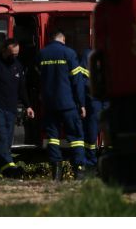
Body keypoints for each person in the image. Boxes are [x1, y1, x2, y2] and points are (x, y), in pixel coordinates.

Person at [37, 29, 87, 181]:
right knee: (76, 136)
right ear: (63, 39)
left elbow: (38, 79)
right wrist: (82, 103)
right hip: (68, 104)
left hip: (50, 104)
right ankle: (78, 170)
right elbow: (77, 82)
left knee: (53, 138)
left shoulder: (42, 54)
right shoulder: (69, 53)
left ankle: (56, 172)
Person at [0, 37, 34, 177]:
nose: (14, 56)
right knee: (0, 137)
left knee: (7, 141)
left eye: (17, 54)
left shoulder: (17, 65)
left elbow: (22, 88)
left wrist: (28, 106)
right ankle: (10, 167)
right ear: (4, 50)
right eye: (12, 54)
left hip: (11, 108)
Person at [79, 47, 103, 172]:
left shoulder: (114, 48)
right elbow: (83, 79)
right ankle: (91, 163)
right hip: (95, 99)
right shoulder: (89, 53)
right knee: (92, 134)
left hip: (108, 97)